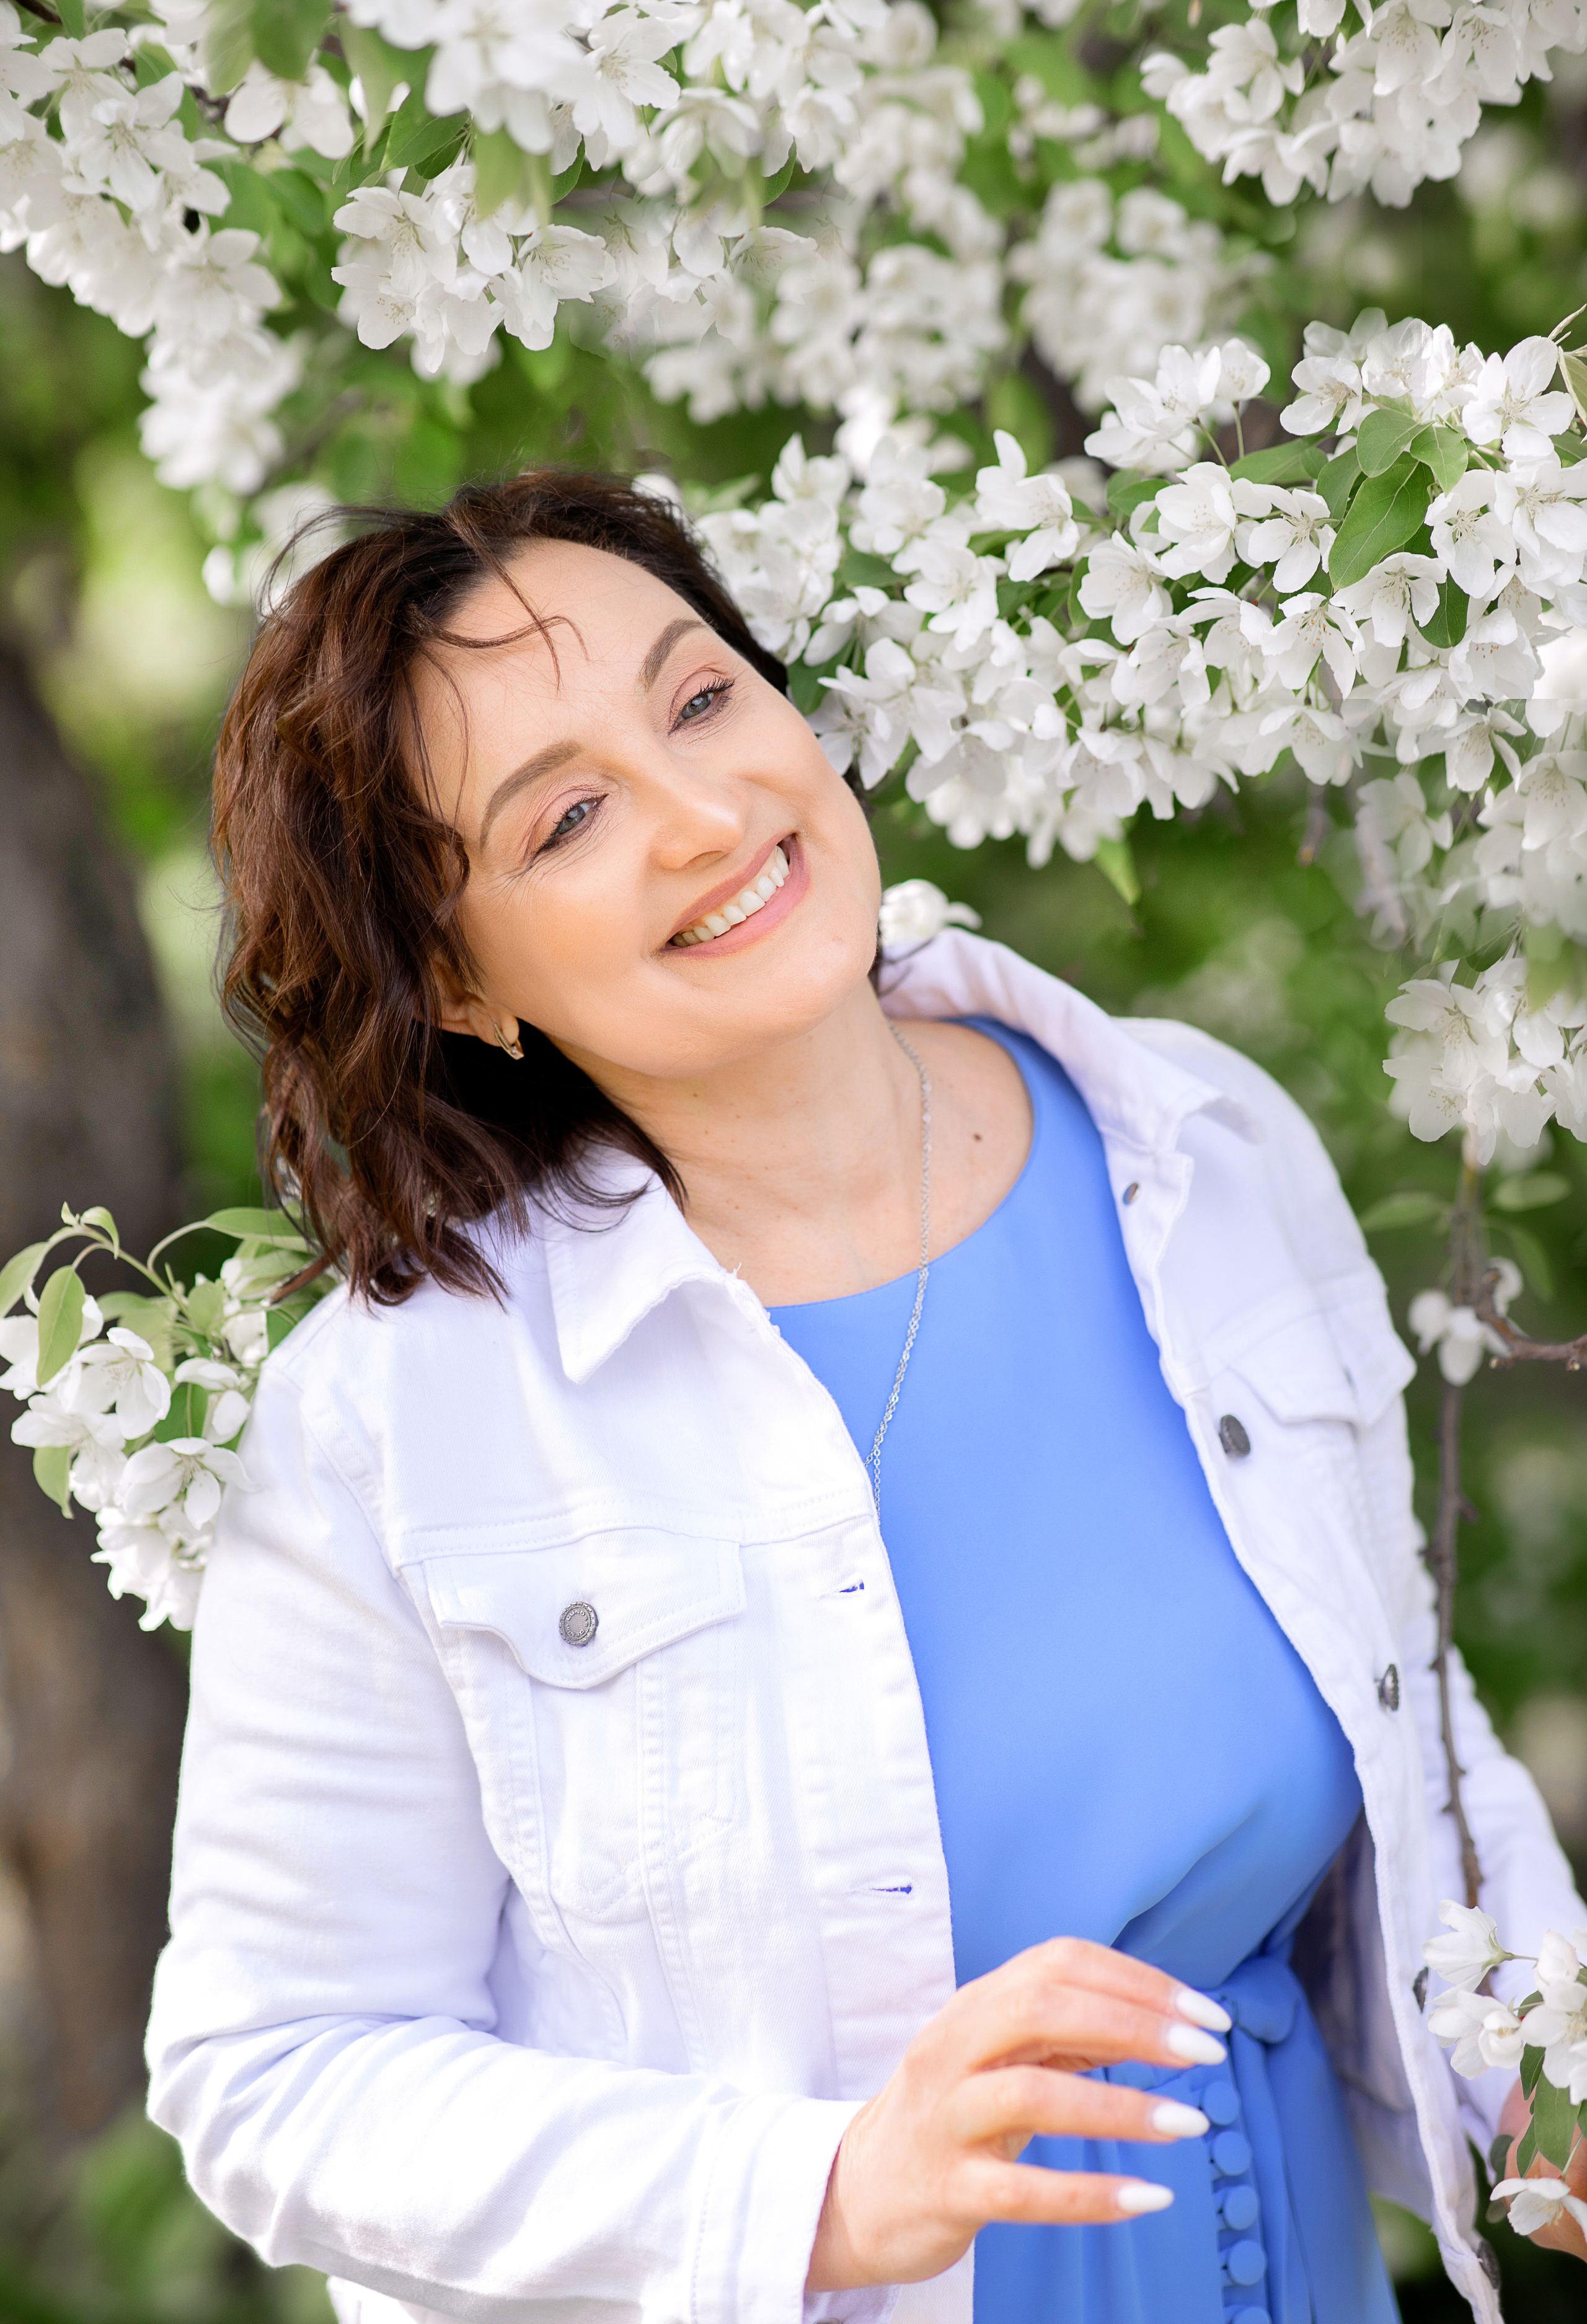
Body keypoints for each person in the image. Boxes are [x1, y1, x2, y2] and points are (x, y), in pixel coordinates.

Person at [147, 470, 1586, 2324]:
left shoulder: (1201, 1147)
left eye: (702, 699)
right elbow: (273, 2071)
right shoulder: (401, 1421)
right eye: (568, 817)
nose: (703, 812)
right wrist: (819, 2190)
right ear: (457, 981)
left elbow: (1404, 1708)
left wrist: (1539, 2080)